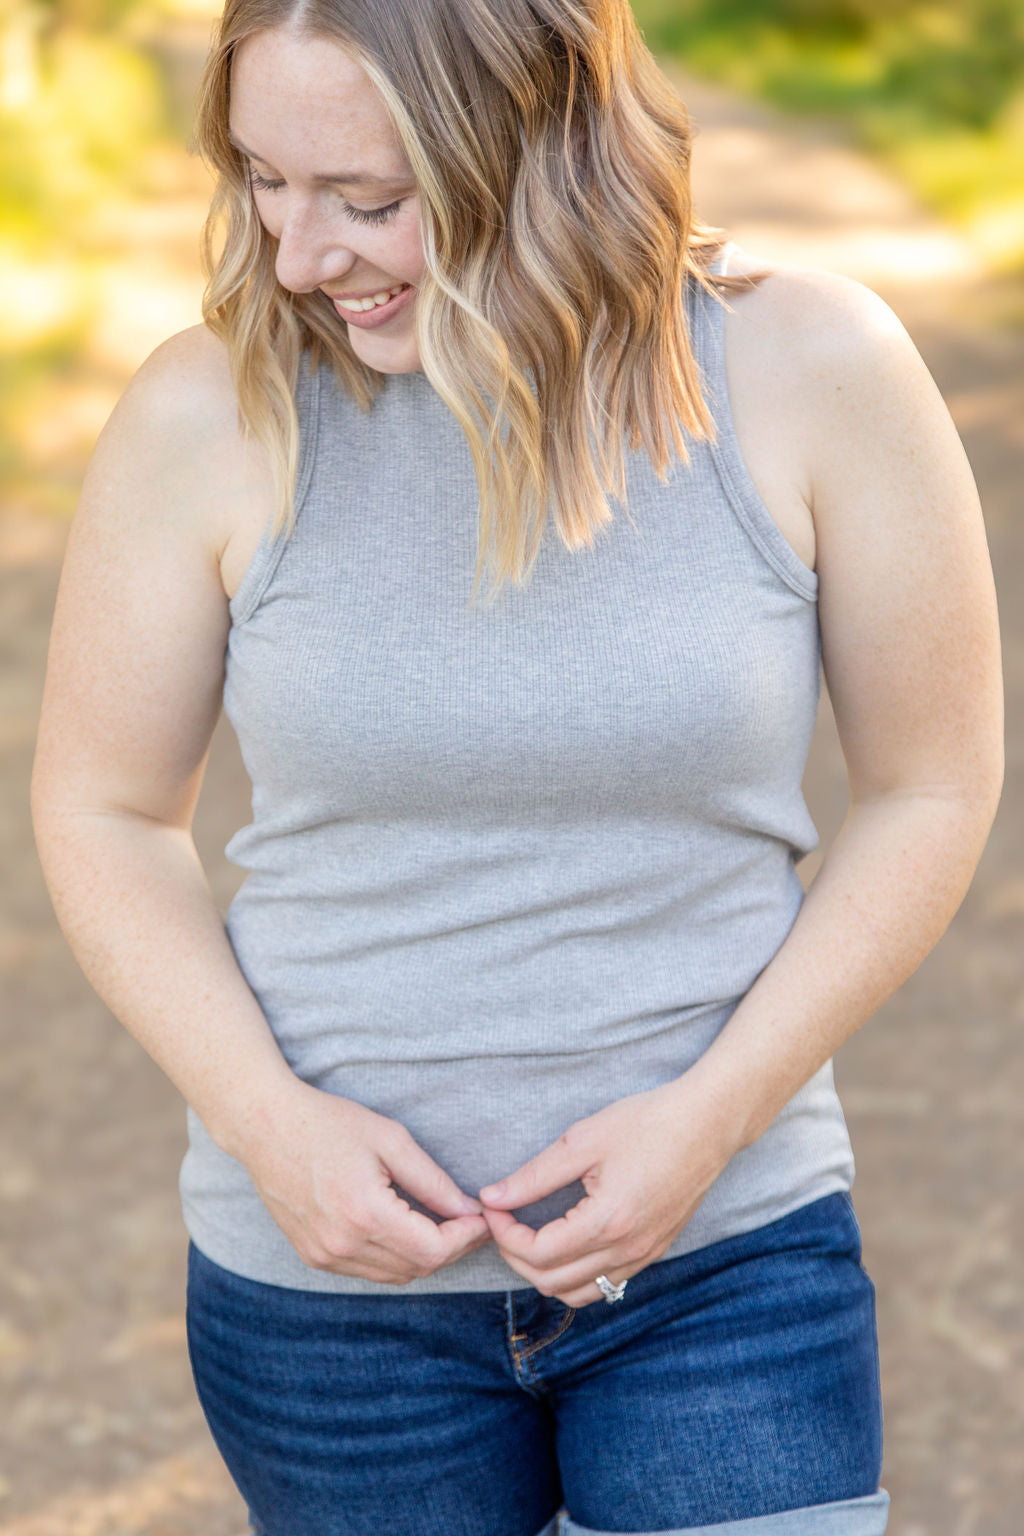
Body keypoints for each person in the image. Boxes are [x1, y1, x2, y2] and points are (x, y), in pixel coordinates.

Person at [31, 0, 1002, 1532]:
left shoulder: (814, 370)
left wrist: (715, 1118)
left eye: (368, 200)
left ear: (545, 146)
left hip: (724, 1264)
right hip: (328, 1312)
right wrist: (273, 1130)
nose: (297, 258)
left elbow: (932, 786)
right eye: (263, 182)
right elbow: (101, 811)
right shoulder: (203, 413)